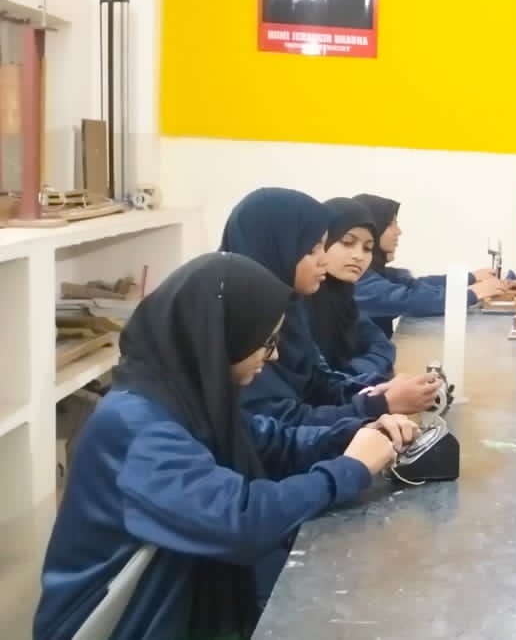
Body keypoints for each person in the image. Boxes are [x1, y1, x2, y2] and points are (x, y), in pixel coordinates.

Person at [33, 252, 418, 640]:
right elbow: (239, 522)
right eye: (266, 342)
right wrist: (348, 471)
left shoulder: (184, 395)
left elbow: (271, 440)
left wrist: (352, 435)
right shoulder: (137, 426)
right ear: (220, 337)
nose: (275, 355)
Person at [222, 188, 440, 425]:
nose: (324, 259)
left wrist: (377, 389)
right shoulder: (240, 326)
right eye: (313, 248)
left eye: (367, 248)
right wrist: (377, 404)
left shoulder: (290, 308)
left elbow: (320, 381)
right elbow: (281, 428)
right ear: (276, 247)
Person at [352, 193, 508, 337]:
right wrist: (473, 293)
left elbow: (414, 285)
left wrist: (471, 278)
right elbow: (410, 299)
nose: (398, 231)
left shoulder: (375, 274)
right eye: (391, 224)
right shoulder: (358, 281)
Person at [304, 197, 395, 378]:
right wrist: (349, 379)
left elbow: (383, 346)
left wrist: (351, 375)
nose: (358, 256)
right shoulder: (298, 302)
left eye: (367, 248)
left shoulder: (345, 298)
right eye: (347, 242)